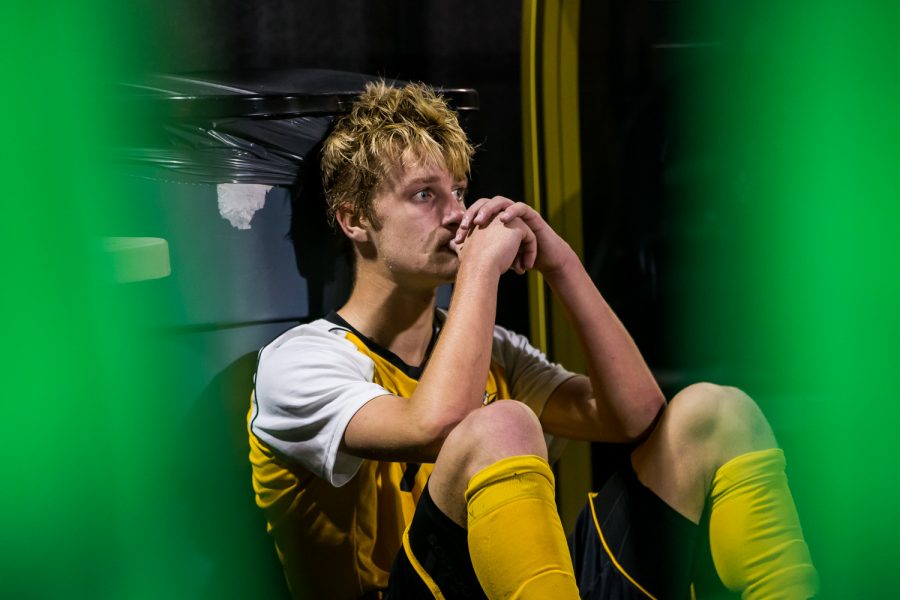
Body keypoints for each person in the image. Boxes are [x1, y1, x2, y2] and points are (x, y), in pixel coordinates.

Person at [248, 81, 818, 599]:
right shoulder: (299, 362)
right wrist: (480, 271)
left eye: (460, 191)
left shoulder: (490, 347)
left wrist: (562, 263)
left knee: (715, 413)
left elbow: (636, 416)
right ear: (354, 220)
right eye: (425, 195)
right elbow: (437, 423)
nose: (457, 215)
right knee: (502, 423)